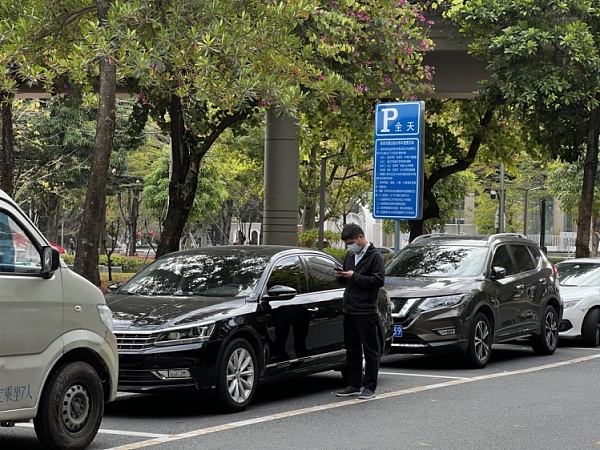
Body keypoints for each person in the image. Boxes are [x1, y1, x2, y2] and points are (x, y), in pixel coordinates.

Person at [334, 223, 385, 400]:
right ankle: (354, 384)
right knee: (352, 349)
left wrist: (353, 275)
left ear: (361, 238)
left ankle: (370, 386)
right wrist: (341, 276)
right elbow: (349, 280)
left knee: (370, 350)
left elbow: (377, 281)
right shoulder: (350, 255)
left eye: (352, 242)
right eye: (347, 243)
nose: (350, 246)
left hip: (366, 310)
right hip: (349, 308)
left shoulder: (375, 256)